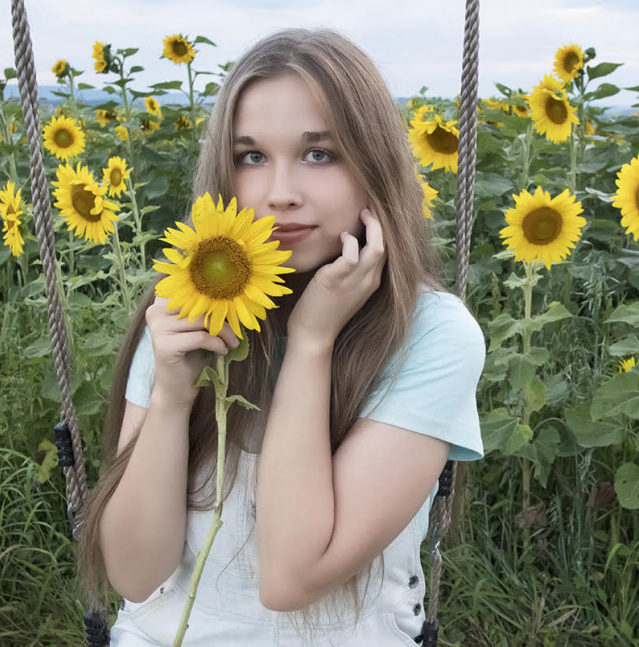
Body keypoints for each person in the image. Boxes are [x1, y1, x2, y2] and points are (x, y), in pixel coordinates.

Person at [76, 27, 486, 646]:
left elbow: (290, 578)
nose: (280, 194)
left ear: (374, 165)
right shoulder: (186, 308)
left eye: (319, 154)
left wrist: (312, 341)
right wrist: (170, 397)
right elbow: (135, 576)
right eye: (251, 156)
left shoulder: (430, 335)